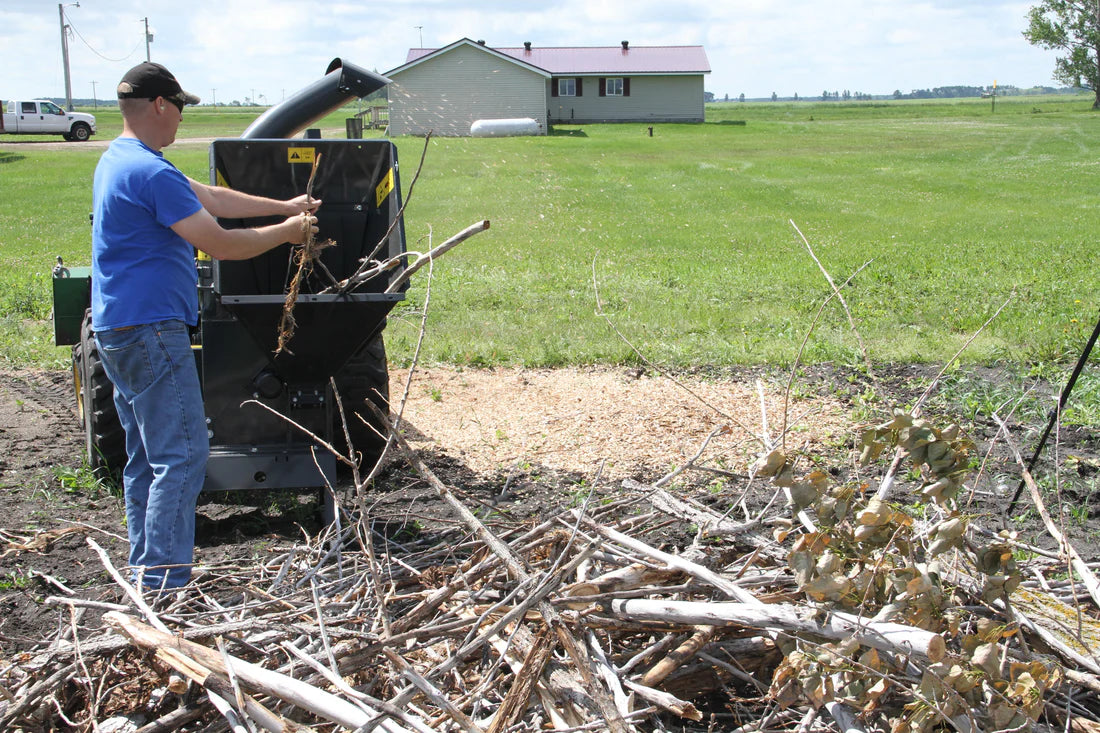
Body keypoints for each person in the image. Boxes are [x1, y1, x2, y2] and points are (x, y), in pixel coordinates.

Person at [91, 61, 321, 590]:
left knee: (146, 458)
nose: (180, 120)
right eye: (180, 108)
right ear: (159, 106)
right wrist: (287, 232)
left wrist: (284, 205)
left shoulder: (122, 160)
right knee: (182, 455)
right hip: (151, 330)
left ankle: (148, 570)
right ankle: (166, 585)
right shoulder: (150, 171)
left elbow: (213, 199)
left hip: (118, 328)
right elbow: (217, 240)